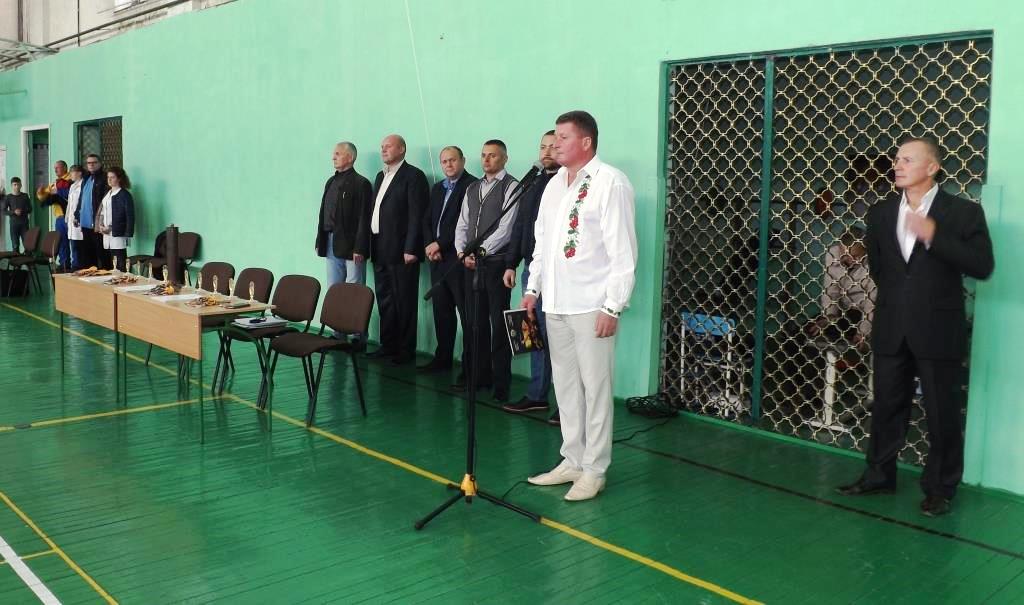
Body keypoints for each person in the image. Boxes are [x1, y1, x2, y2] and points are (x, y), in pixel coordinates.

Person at [837, 137, 994, 517]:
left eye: (907, 159)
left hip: (938, 328)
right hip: (892, 325)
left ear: (932, 167)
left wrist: (933, 235)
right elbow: (881, 269)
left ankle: (940, 488)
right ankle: (879, 475)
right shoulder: (880, 212)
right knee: (886, 406)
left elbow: (982, 266)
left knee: (941, 412)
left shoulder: (963, 212)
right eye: (896, 159)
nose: (897, 165)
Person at [523, 111, 638, 501]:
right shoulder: (554, 184)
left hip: (592, 306)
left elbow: (623, 252)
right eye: (554, 137)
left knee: (596, 388)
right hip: (555, 303)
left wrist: (613, 305)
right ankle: (572, 459)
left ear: (586, 142)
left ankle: (595, 469)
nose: (555, 144)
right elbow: (542, 243)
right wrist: (533, 288)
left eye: (563, 137)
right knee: (566, 387)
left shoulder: (610, 182)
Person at [454, 140, 520, 402]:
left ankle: (501, 383)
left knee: (498, 325)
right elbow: (462, 223)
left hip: (495, 265)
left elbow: (507, 229)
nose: (486, 160)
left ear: (504, 158)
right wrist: (462, 251)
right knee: (475, 322)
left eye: (492, 155)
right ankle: (478, 377)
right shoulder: (472, 187)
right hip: (470, 265)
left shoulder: (512, 186)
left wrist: (480, 251)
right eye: (483, 155)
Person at [502, 130, 560, 420]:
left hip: (558, 273)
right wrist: (511, 263)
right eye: (542, 146)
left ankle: (567, 405)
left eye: (553, 146)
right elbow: (520, 226)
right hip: (530, 270)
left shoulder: (566, 184)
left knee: (558, 339)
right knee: (534, 334)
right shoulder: (534, 182)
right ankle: (537, 395)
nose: (546, 151)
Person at [367, 135, 430, 365]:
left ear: (402, 149)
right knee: (385, 300)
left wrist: (411, 247)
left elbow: (417, 214)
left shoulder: (414, 176)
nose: (383, 150)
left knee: (405, 301)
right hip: (380, 247)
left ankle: (405, 350)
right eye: (382, 146)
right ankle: (388, 345)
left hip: (402, 250)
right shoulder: (380, 175)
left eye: (388, 146)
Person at [420, 146, 477, 373]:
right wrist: (429, 245)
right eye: (444, 161)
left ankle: (469, 366)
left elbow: (463, 224)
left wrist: (440, 244)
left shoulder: (472, 186)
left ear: (463, 160)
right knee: (441, 312)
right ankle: (442, 359)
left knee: (466, 314)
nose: (448, 165)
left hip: (458, 259)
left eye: (453, 160)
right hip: (437, 259)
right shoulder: (437, 188)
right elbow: (427, 220)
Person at [315, 141, 373, 342]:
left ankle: (358, 335)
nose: (333, 157)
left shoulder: (361, 183)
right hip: (331, 241)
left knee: (355, 289)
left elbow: (364, 218)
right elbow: (323, 213)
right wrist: (320, 239)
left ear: (350, 157)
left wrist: (360, 247)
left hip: (352, 245)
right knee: (335, 288)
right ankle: (338, 332)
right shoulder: (331, 182)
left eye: (338, 154)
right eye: (334, 154)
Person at [73, 154, 111, 269]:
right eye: (89, 163)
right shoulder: (86, 179)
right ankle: (91, 277)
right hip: (85, 224)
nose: (91, 165)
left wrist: (102, 221)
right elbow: (81, 198)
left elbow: (105, 201)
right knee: (88, 256)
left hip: (97, 224)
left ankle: (105, 277)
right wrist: (76, 215)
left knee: (102, 255)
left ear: (100, 164)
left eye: (94, 162)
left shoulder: (104, 178)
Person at [94, 167, 135, 271]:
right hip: (106, 232)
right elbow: (102, 211)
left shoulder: (124, 195)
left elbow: (129, 215)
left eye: (112, 177)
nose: (109, 180)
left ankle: (123, 278)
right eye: (108, 177)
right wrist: (101, 225)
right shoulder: (108, 193)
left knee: (120, 260)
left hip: (118, 232)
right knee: (111, 260)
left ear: (119, 179)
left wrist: (112, 228)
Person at [47, 160, 73, 271]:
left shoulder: (70, 180)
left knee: (74, 242)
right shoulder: (55, 182)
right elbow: (46, 195)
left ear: (65, 168)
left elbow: (68, 194)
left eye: (57, 167)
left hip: (68, 216)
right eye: (54, 168)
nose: (55, 170)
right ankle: (64, 264)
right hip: (59, 217)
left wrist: (57, 191)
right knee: (62, 242)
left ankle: (76, 265)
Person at [65, 165, 86, 270]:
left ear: (79, 173)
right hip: (71, 219)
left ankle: (78, 266)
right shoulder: (72, 186)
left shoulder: (83, 185)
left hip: (79, 220)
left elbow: (82, 203)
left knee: (79, 245)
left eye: (72, 172)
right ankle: (75, 265)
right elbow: (70, 204)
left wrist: (77, 216)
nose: (70, 175)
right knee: (73, 244)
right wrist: (67, 217)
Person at [2, 177, 31, 253]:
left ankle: (28, 260)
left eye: (18, 184)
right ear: (11, 186)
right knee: (15, 246)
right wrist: (13, 212)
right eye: (14, 185)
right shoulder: (8, 197)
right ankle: (16, 260)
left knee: (27, 246)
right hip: (14, 225)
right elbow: (4, 211)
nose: (17, 186)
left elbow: (30, 209)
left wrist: (22, 211)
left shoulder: (25, 196)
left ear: (21, 185)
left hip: (24, 224)